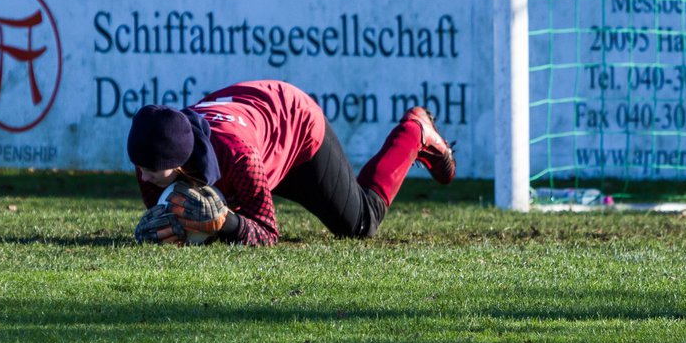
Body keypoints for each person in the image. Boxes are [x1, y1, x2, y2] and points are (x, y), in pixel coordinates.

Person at [126, 79, 455, 245]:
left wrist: (226, 224)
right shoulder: (155, 156)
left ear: (180, 161)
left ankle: (415, 130)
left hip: (294, 125)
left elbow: (267, 233)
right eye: (138, 165)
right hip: (253, 118)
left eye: (151, 169)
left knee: (360, 225)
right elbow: (178, 226)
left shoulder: (237, 156)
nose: (142, 175)